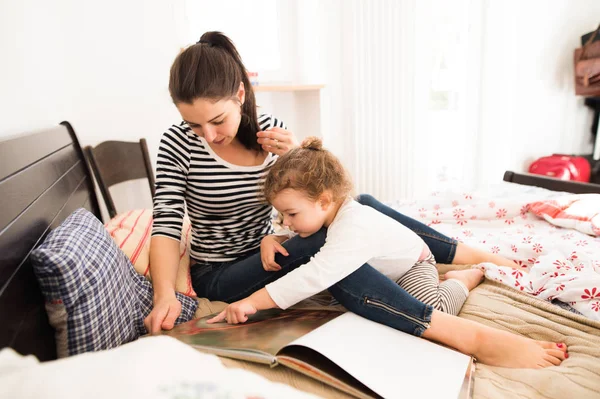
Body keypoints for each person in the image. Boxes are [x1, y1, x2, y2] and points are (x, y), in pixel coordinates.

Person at [143, 31, 548, 364]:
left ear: (240, 94)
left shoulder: (271, 131)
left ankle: (467, 255)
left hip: (277, 249)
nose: (209, 135)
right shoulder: (177, 145)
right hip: (224, 272)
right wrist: (164, 295)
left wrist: (295, 154)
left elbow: (317, 195)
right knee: (328, 244)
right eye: (194, 125)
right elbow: (165, 223)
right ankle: (455, 331)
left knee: (357, 207)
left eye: (217, 120)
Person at [207, 137, 568, 369]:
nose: (287, 222)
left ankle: (465, 276)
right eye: (282, 215)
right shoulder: (326, 213)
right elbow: (299, 229)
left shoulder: (353, 227)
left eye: (292, 215)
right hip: (380, 264)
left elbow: (316, 273)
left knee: (438, 306)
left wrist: (253, 300)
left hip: (414, 264)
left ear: (324, 200)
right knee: (330, 261)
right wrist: (274, 236)